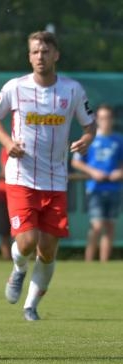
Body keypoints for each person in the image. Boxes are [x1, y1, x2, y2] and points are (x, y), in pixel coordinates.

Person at [0, 31, 96, 321]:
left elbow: (90, 125)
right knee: (27, 242)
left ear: (55, 55)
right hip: (21, 177)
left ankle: (30, 306)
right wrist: (8, 144)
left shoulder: (72, 90)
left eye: (45, 51)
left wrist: (87, 138)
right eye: (35, 52)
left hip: (57, 180)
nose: (40, 57)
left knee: (47, 250)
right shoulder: (16, 87)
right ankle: (19, 269)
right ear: (29, 56)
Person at [71, 104, 123, 262]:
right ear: (97, 120)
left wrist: (120, 172)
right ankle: (89, 261)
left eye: (108, 118)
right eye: (101, 118)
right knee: (97, 225)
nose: (105, 121)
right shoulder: (90, 139)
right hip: (95, 188)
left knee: (109, 226)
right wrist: (93, 172)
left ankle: (104, 263)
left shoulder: (119, 140)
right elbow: (76, 162)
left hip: (114, 188)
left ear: (112, 119)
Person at [0, 146, 12, 260]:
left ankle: (25, 260)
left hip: (24, 194)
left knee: (27, 231)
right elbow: (6, 170)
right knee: (4, 231)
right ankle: (7, 260)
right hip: (4, 195)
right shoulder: (7, 148)